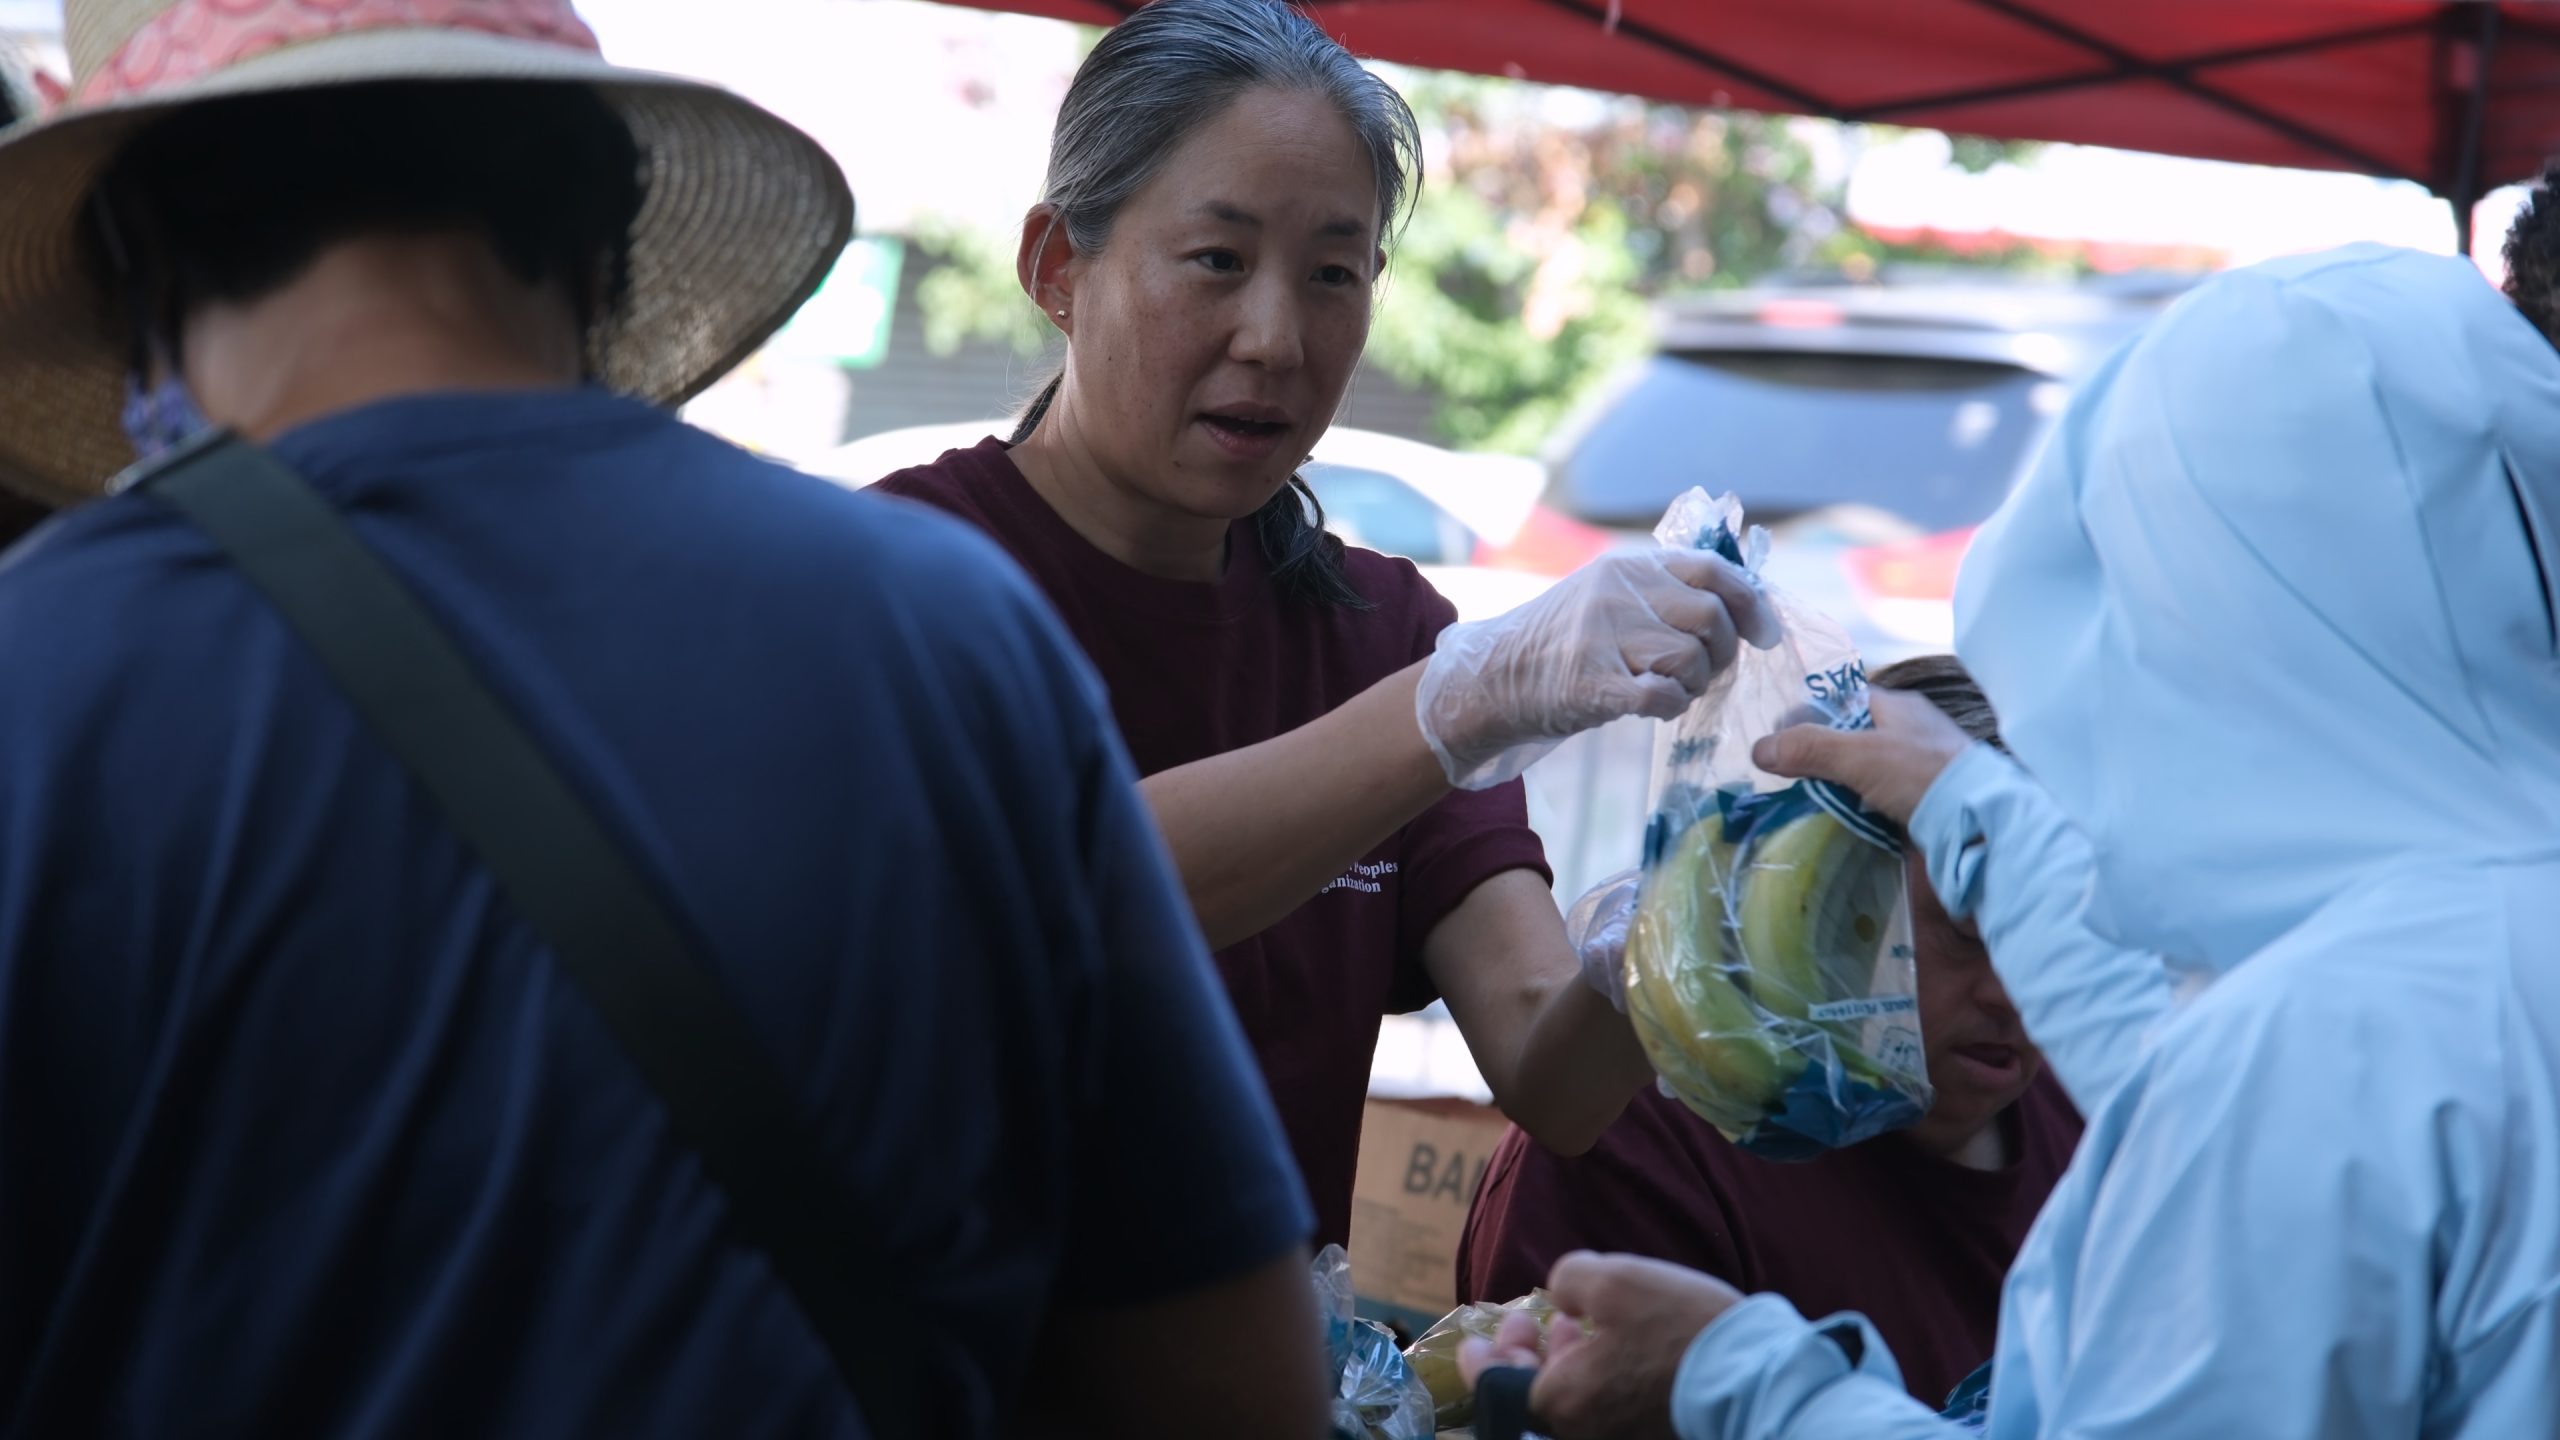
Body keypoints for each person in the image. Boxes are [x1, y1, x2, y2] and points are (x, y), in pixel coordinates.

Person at [0, 3, 1331, 1435]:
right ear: (609, 224)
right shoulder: (947, 638)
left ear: (136, 258)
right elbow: (1231, 1389)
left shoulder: (39, 673)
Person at [1458, 238, 2560, 1438]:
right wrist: (1994, 839)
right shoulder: (2478, 933)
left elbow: (2275, 1108)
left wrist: (1744, 1386)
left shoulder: (2314, 1040)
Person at [872, 0, 1774, 1255]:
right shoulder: (892, 582)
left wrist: (1690, 915)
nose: (1276, 339)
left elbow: (1550, 1076)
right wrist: (1455, 707)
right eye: (1217, 261)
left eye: (1333, 274)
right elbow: (1059, 892)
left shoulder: (1383, 632)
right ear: (1056, 269)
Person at [1457, 656, 2081, 1406]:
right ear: (1832, 888)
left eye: (2051, 936)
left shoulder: (2102, 1137)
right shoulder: (1652, 1127)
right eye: (1965, 933)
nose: (2011, 995)